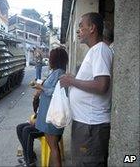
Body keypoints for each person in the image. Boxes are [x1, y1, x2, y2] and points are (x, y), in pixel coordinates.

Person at [60, 12, 113, 167]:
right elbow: (93, 81)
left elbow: (102, 85)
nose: (79, 30)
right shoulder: (95, 51)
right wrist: (74, 80)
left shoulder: (100, 50)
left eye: (81, 26)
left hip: (91, 126)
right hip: (86, 124)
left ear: (92, 28)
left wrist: (73, 81)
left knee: (88, 163)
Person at [16, 47, 68, 167]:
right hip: (45, 118)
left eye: (51, 57)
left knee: (53, 147)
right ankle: (30, 158)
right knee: (21, 128)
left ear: (55, 59)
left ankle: (30, 162)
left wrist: (41, 88)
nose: (49, 59)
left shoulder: (59, 73)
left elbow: (54, 92)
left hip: (51, 120)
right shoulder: (55, 72)